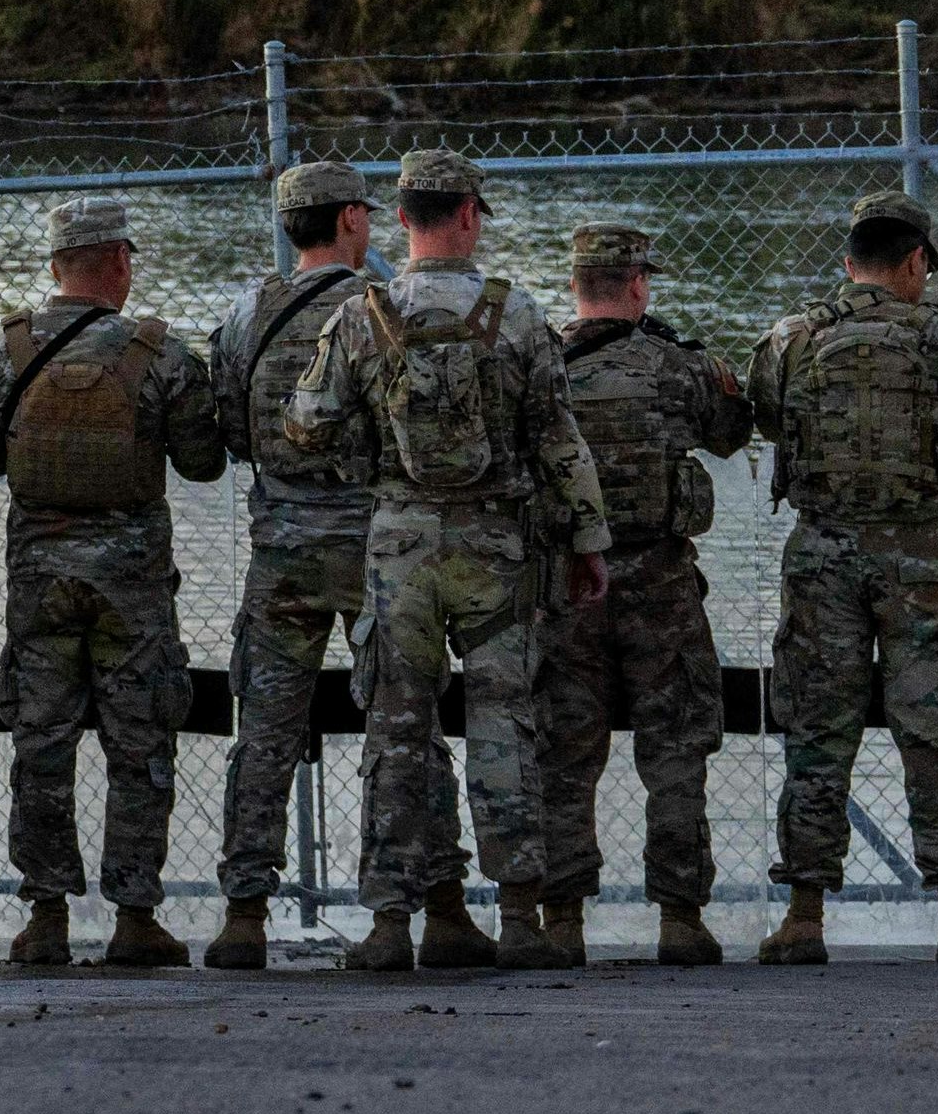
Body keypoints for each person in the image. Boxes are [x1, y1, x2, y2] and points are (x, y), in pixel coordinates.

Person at [281, 147, 608, 972]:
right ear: (468, 216)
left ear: (401, 218)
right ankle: (523, 919)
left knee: (397, 731)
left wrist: (369, 441)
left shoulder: (364, 315)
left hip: (399, 550)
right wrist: (588, 540)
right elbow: (558, 439)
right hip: (497, 548)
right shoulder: (520, 315)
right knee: (505, 723)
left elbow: (307, 423)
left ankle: (392, 922)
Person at [747, 188, 938, 967]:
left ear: (849, 264)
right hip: (923, 559)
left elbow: (768, 422)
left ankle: (803, 916)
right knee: (934, 730)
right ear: (914, 262)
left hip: (822, 557)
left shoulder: (791, 340)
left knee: (816, 735)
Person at [0, 196, 226, 968]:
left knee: (41, 741)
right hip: (132, 586)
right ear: (117, 262)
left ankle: (43, 916)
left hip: (38, 578)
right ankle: (135, 914)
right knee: (138, 744)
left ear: (54, 267)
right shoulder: (162, 354)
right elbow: (204, 460)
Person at [532, 222, 749, 965]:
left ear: (575, 287)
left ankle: (560, 923)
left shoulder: (543, 367)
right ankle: (681, 919)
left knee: (563, 751)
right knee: (678, 746)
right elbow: (730, 431)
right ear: (637, 285)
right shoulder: (676, 366)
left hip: (567, 583)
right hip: (659, 579)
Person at [205, 161, 379, 970]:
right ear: (350, 219)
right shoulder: (382, 307)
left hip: (280, 543)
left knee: (264, 730)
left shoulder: (248, 313)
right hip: (373, 542)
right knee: (398, 724)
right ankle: (415, 907)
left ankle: (243, 911)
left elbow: (232, 429)